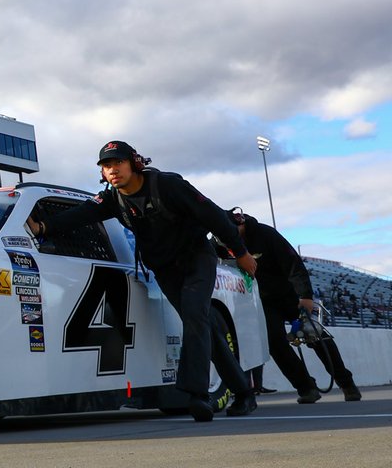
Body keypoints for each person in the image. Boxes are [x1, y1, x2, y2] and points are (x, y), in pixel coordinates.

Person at [26, 140, 259, 422]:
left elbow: (212, 216)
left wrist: (241, 252)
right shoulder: (113, 198)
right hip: (164, 268)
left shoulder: (168, 185)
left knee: (195, 316)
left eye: (118, 163)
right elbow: (82, 214)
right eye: (106, 166)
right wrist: (44, 227)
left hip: (196, 258)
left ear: (134, 163)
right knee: (202, 323)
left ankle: (197, 395)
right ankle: (244, 392)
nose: (113, 170)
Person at [227, 209, 362, 402]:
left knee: (315, 335)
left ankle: (346, 382)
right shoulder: (221, 241)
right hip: (262, 302)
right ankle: (306, 387)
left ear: (241, 224)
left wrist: (305, 296)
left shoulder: (266, 234)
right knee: (274, 342)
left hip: (290, 294)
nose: (227, 237)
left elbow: (293, 264)